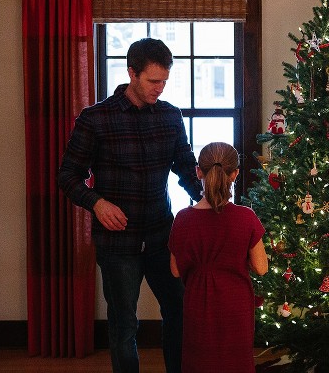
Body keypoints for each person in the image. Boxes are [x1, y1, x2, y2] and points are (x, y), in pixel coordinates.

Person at [58, 38, 201, 373]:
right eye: (153, 81)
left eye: (165, 81)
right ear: (132, 73)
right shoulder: (95, 119)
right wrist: (97, 202)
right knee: (124, 325)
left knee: (179, 311)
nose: (160, 88)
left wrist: (211, 202)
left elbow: (185, 167)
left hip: (161, 236)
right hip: (117, 243)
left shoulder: (170, 116)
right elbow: (67, 176)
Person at [168, 142, 268, 373]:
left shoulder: (183, 219)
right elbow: (261, 268)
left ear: (198, 172)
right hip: (236, 305)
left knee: (199, 363)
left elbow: (175, 270)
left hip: (198, 304)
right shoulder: (246, 217)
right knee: (236, 363)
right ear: (235, 174)